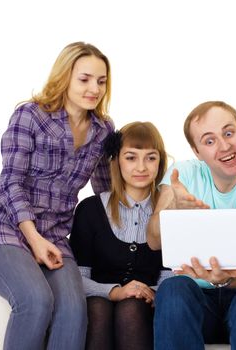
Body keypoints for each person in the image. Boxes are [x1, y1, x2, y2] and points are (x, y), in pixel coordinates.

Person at [0, 42, 114, 349]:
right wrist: (33, 238)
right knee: (35, 300)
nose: (95, 89)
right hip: (3, 225)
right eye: (85, 79)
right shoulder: (30, 116)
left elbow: (108, 193)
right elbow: (11, 181)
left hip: (56, 235)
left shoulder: (103, 130)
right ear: (65, 76)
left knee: (74, 311)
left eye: (101, 81)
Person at [146, 101, 236, 350]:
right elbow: (153, 240)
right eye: (209, 140)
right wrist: (174, 210)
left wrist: (223, 280)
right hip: (195, 295)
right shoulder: (183, 175)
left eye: (229, 132)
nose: (224, 146)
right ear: (196, 151)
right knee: (172, 289)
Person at [70, 121, 171, 350]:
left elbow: (172, 276)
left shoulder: (168, 210)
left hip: (145, 307)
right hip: (99, 302)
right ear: (116, 161)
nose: (141, 167)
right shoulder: (90, 210)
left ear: (160, 162)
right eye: (131, 157)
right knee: (98, 308)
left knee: (131, 308)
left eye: (150, 157)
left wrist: (151, 294)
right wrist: (115, 292)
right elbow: (76, 278)